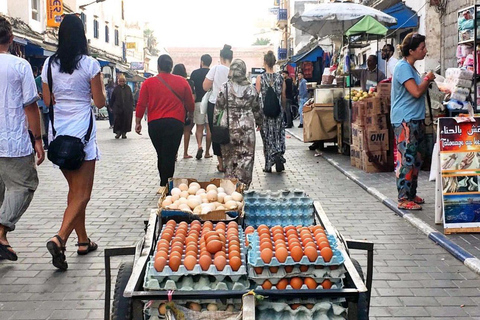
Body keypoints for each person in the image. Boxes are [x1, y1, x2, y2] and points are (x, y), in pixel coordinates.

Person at [41, 14, 106, 270]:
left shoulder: (48, 64)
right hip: (82, 134)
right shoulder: (90, 64)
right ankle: (60, 238)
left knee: (74, 192)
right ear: (82, 36)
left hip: (59, 135)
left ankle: (82, 240)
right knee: (83, 194)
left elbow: (47, 101)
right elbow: (100, 102)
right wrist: (85, 98)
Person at [0, 17, 45, 261]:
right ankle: (1, 230)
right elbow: (30, 107)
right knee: (24, 185)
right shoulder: (20, 66)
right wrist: (37, 139)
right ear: (11, 38)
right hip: (12, 140)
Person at [391, 32, 435, 211]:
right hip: (405, 121)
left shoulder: (411, 68)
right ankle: (403, 198)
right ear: (411, 51)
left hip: (415, 119)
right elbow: (416, 92)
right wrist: (427, 79)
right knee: (407, 159)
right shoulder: (402, 67)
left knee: (417, 158)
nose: (425, 51)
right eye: (422, 48)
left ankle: (411, 193)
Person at [135, 54, 195, 186]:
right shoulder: (182, 81)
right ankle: (166, 184)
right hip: (175, 123)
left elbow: (141, 103)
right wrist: (190, 116)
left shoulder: (148, 83)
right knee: (170, 154)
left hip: (155, 124)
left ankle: (164, 183)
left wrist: (138, 122)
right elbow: (190, 103)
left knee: (161, 154)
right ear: (171, 66)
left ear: (158, 66)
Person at [214, 59, 262, 188]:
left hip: (228, 127)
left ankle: (230, 187)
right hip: (246, 128)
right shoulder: (251, 89)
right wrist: (259, 122)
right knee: (246, 158)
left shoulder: (224, 87)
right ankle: (243, 186)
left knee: (229, 158)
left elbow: (218, 108)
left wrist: (216, 125)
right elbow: (257, 108)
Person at [203, 44, 233, 172]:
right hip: (230, 105)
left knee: (216, 132)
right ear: (231, 57)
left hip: (215, 104)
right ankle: (229, 161)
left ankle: (221, 164)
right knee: (230, 132)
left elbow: (205, 86)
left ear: (220, 57)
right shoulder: (234, 70)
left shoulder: (215, 69)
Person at [256, 51, 286, 173]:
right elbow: (284, 96)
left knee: (267, 137)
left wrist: (256, 114)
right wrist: (283, 109)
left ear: (265, 62)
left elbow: (256, 96)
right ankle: (278, 154)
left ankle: (268, 164)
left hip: (265, 113)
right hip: (278, 112)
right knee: (278, 135)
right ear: (274, 62)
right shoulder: (280, 77)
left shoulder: (260, 78)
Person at [190, 54, 213, 159]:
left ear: (202, 62)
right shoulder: (212, 73)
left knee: (199, 128)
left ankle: (199, 145)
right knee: (209, 128)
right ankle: (207, 152)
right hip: (210, 103)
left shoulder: (194, 73)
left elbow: (191, 89)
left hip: (198, 102)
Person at [172, 63, 195, 159]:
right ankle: (185, 153)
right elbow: (192, 97)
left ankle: (175, 153)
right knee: (186, 130)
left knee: (175, 132)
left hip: (175, 109)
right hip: (186, 108)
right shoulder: (189, 82)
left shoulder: (171, 82)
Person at [110, 74, 134, 139]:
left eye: (123, 81)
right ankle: (118, 133)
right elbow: (112, 98)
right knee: (118, 121)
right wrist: (111, 106)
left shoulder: (128, 88)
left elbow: (131, 98)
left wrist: (132, 106)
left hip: (127, 109)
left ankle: (124, 133)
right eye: (120, 81)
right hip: (118, 109)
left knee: (126, 121)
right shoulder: (116, 89)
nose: (122, 83)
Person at [35, 66, 50, 149]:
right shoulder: (38, 80)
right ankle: (45, 141)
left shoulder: (48, 79)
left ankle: (47, 142)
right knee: (43, 125)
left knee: (47, 125)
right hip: (41, 106)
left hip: (48, 106)